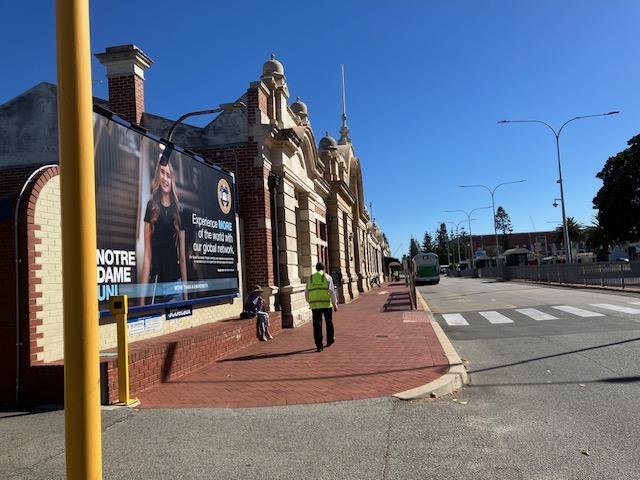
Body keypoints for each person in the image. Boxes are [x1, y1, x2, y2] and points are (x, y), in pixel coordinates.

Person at [140, 153, 188, 304]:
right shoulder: (151, 207)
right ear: (158, 175)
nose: (165, 178)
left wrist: (186, 295)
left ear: (172, 179)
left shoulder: (178, 211)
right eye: (162, 172)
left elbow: (182, 257)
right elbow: (147, 256)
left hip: (175, 287)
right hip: (156, 287)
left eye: (168, 175)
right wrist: (141, 301)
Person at [305, 262, 338, 352]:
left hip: (315, 305)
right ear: (324, 268)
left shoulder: (310, 278)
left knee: (317, 325)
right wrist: (335, 303)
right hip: (326, 304)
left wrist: (309, 301)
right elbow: (331, 291)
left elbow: (306, 292)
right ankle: (330, 340)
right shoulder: (327, 277)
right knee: (329, 322)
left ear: (316, 268)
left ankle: (319, 345)